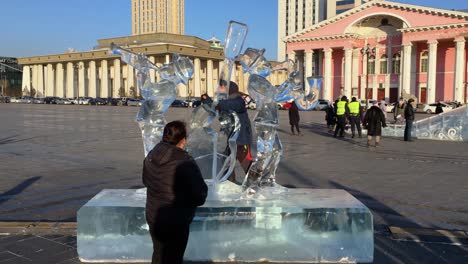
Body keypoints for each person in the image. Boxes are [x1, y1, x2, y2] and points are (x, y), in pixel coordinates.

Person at [143, 121, 208, 264]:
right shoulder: (185, 161)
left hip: (154, 216)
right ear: (183, 140)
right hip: (176, 220)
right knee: (173, 257)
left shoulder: (152, 154)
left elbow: (146, 181)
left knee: (159, 253)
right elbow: (200, 195)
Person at [216, 81, 253, 177]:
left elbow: (228, 105)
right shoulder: (229, 101)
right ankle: (229, 182)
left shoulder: (238, 100)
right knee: (227, 163)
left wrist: (218, 104)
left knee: (246, 161)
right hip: (231, 139)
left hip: (242, 140)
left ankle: (255, 181)